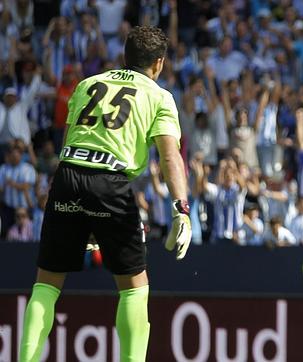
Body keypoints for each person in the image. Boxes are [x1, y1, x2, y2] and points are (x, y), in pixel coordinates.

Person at [19, 26, 192, 362]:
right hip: (110, 182)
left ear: (124, 56)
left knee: (46, 283)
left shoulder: (86, 85)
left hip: (68, 176)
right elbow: (171, 155)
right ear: (159, 63)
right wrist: (181, 208)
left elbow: (69, 143)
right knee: (134, 287)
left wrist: (79, 214)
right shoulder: (159, 97)